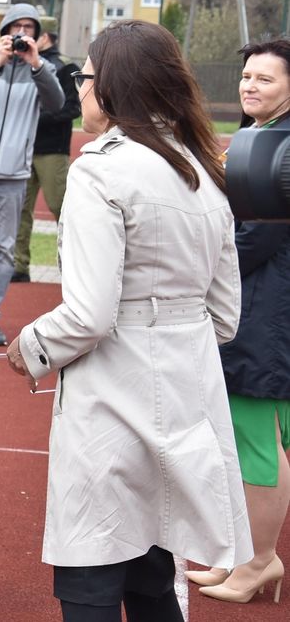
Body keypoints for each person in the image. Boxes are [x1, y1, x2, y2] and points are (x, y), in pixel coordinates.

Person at [5, 20, 251, 622]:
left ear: (113, 86)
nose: (80, 89)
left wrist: (28, 346)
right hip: (186, 388)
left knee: (91, 570)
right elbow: (224, 316)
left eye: (85, 77)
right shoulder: (201, 172)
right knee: (152, 574)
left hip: (112, 395)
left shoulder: (102, 171)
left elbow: (88, 314)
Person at [185, 38, 290, 606]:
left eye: (265, 79)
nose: (250, 85)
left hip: (268, 315)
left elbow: (255, 237)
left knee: (260, 443)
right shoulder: (260, 136)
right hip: (254, 306)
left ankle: (260, 561)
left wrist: (200, 271)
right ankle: (243, 556)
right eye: (247, 76)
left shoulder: (283, 147)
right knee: (253, 440)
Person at [0, 4, 64, 346]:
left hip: (14, 173)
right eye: (16, 27)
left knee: (4, 248)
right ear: (5, 29)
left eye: (28, 28)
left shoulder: (42, 67)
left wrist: (36, 64)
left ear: (36, 34)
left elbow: (57, 102)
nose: (22, 33)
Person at [12, 17, 80, 283]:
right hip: (25, 149)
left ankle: (74, 266)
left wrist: (35, 117)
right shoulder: (19, 62)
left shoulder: (63, 66)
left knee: (60, 207)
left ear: (45, 35)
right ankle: (19, 265)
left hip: (52, 149)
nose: (23, 35)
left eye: (30, 30)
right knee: (21, 208)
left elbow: (73, 108)